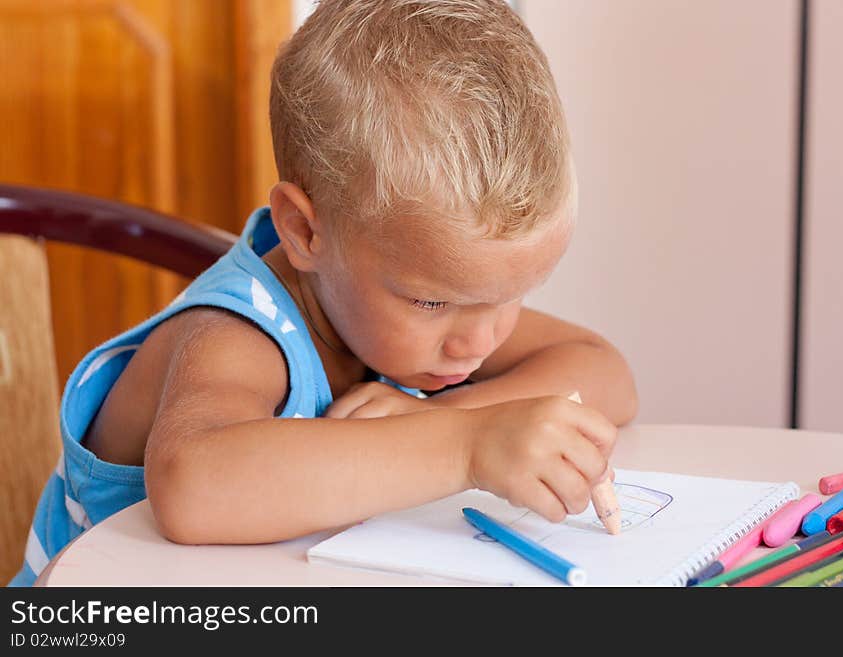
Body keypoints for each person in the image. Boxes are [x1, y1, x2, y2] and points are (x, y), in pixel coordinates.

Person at [9, 0, 637, 587]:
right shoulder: (238, 333)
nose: (479, 339)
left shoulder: (412, 310)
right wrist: (469, 446)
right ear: (305, 232)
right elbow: (192, 486)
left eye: (512, 295)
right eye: (430, 302)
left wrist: (451, 418)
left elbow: (604, 372)